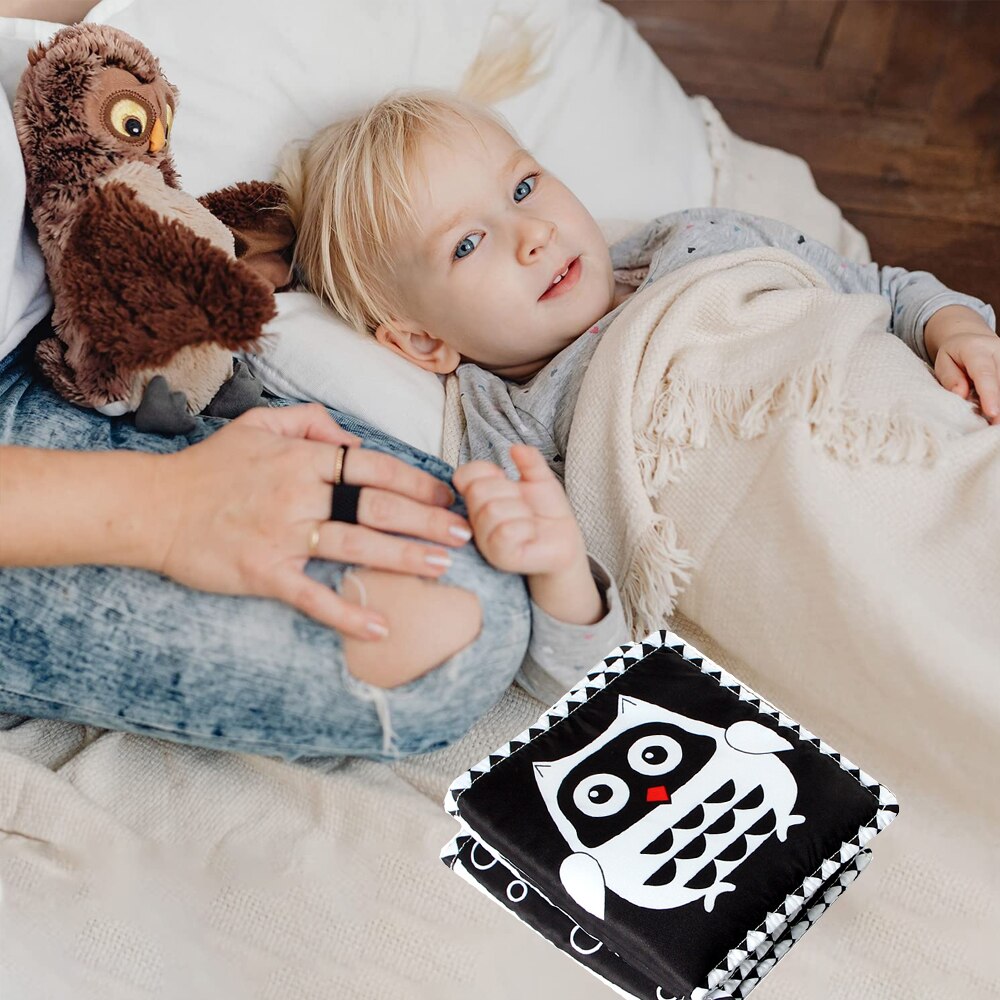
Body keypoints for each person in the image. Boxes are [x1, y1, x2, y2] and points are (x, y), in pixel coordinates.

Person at [276, 88, 999, 494]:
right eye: (467, 244)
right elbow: (555, 573)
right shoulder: (506, 425)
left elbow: (883, 290)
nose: (532, 233)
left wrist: (957, 331)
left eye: (523, 188)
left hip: (914, 426)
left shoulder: (691, 240)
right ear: (423, 341)